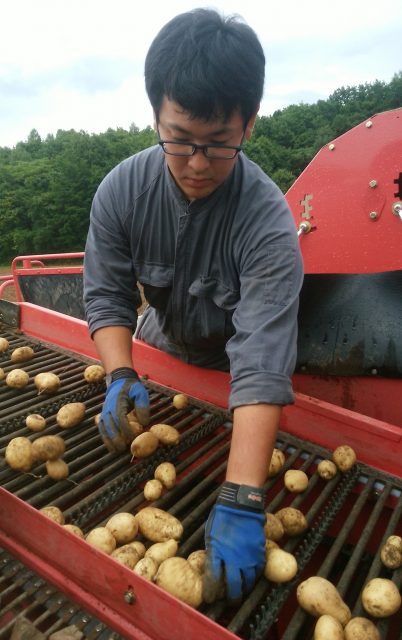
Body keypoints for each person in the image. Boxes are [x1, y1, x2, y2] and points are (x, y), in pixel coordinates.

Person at [83, 8, 303, 604]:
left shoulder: (267, 224)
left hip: (238, 378)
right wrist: (120, 370)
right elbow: (105, 294)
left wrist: (241, 497)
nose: (198, 163)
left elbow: (261, 356)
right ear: (155, 114)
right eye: (179, 140)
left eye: (218, 145)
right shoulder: (121, 192)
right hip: (159, 350)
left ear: (249, 126)